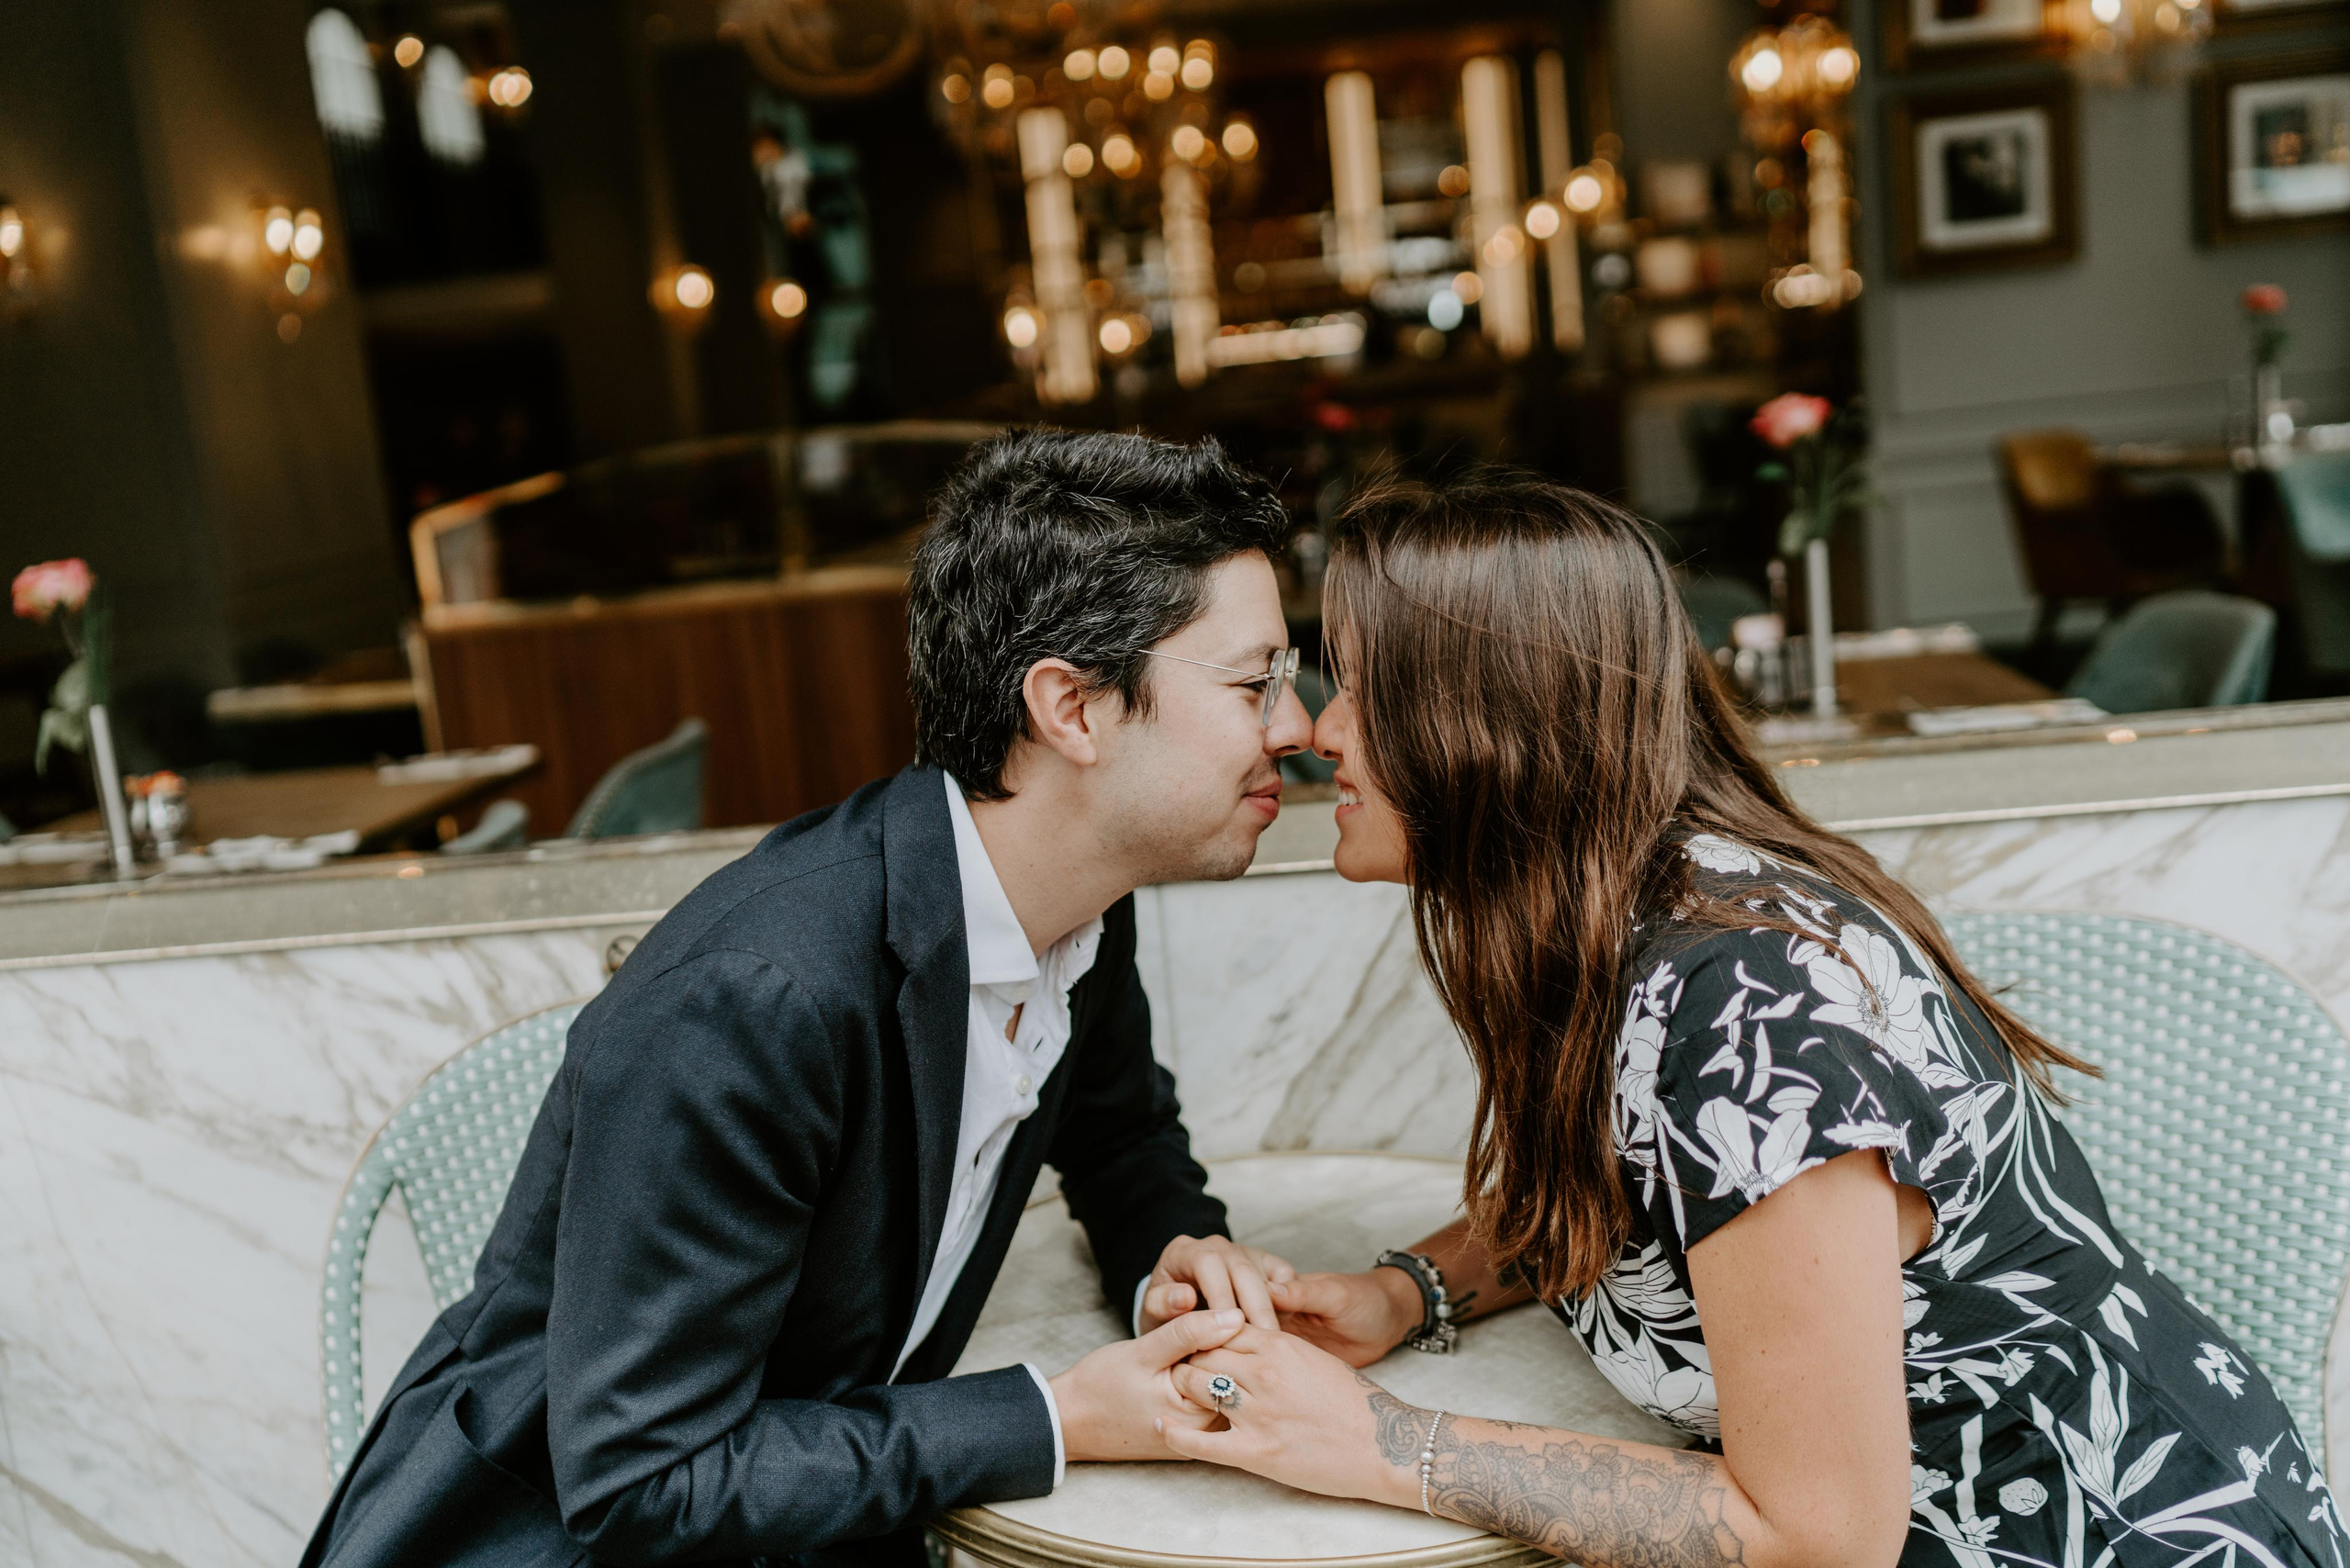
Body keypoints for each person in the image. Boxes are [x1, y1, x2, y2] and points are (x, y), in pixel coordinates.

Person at [1161, 472, 2346, 1568]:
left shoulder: (1750, 1009)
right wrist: (1410, 1290)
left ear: (1492, 718)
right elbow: (1630, 1190)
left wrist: (1381, 1441)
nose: (1318, 732)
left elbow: (1819, 1536)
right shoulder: (1619, 915)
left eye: (1363, 688)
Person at [300, 429, 1317, 1568]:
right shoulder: (754, 999)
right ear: (1070, 709)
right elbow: (647, 1485)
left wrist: (1170, 1256)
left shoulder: (1079, 898)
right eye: (1253, 682)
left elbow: (1121, 1137)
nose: (1296, 725)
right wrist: (1053, 1415)